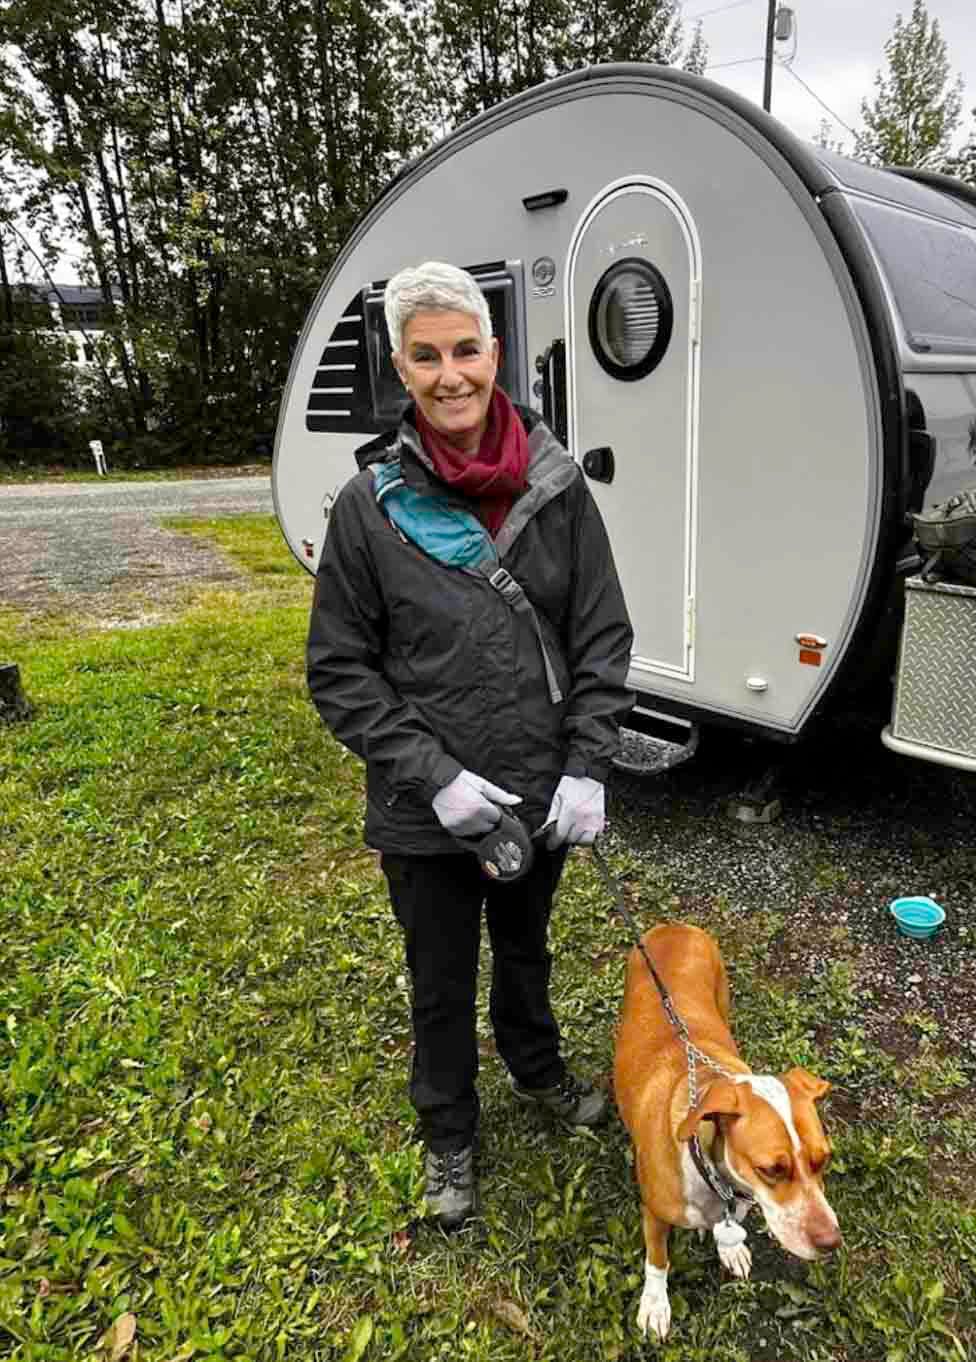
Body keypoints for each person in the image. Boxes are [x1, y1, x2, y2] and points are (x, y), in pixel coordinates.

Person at [306, 261, 634, 1231]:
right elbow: (340, 671)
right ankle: (449, 1133)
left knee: (525, 953)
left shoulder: (556, 483)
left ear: (493, 354)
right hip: (427, 811)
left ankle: (535, 1071)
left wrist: (585, 763)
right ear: (399, 370)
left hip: (539, 789)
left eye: (464, 350)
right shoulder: (367, 509)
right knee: (440, 982)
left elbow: (601, 633)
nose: (449, 374)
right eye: (425, 356)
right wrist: (435, 779)